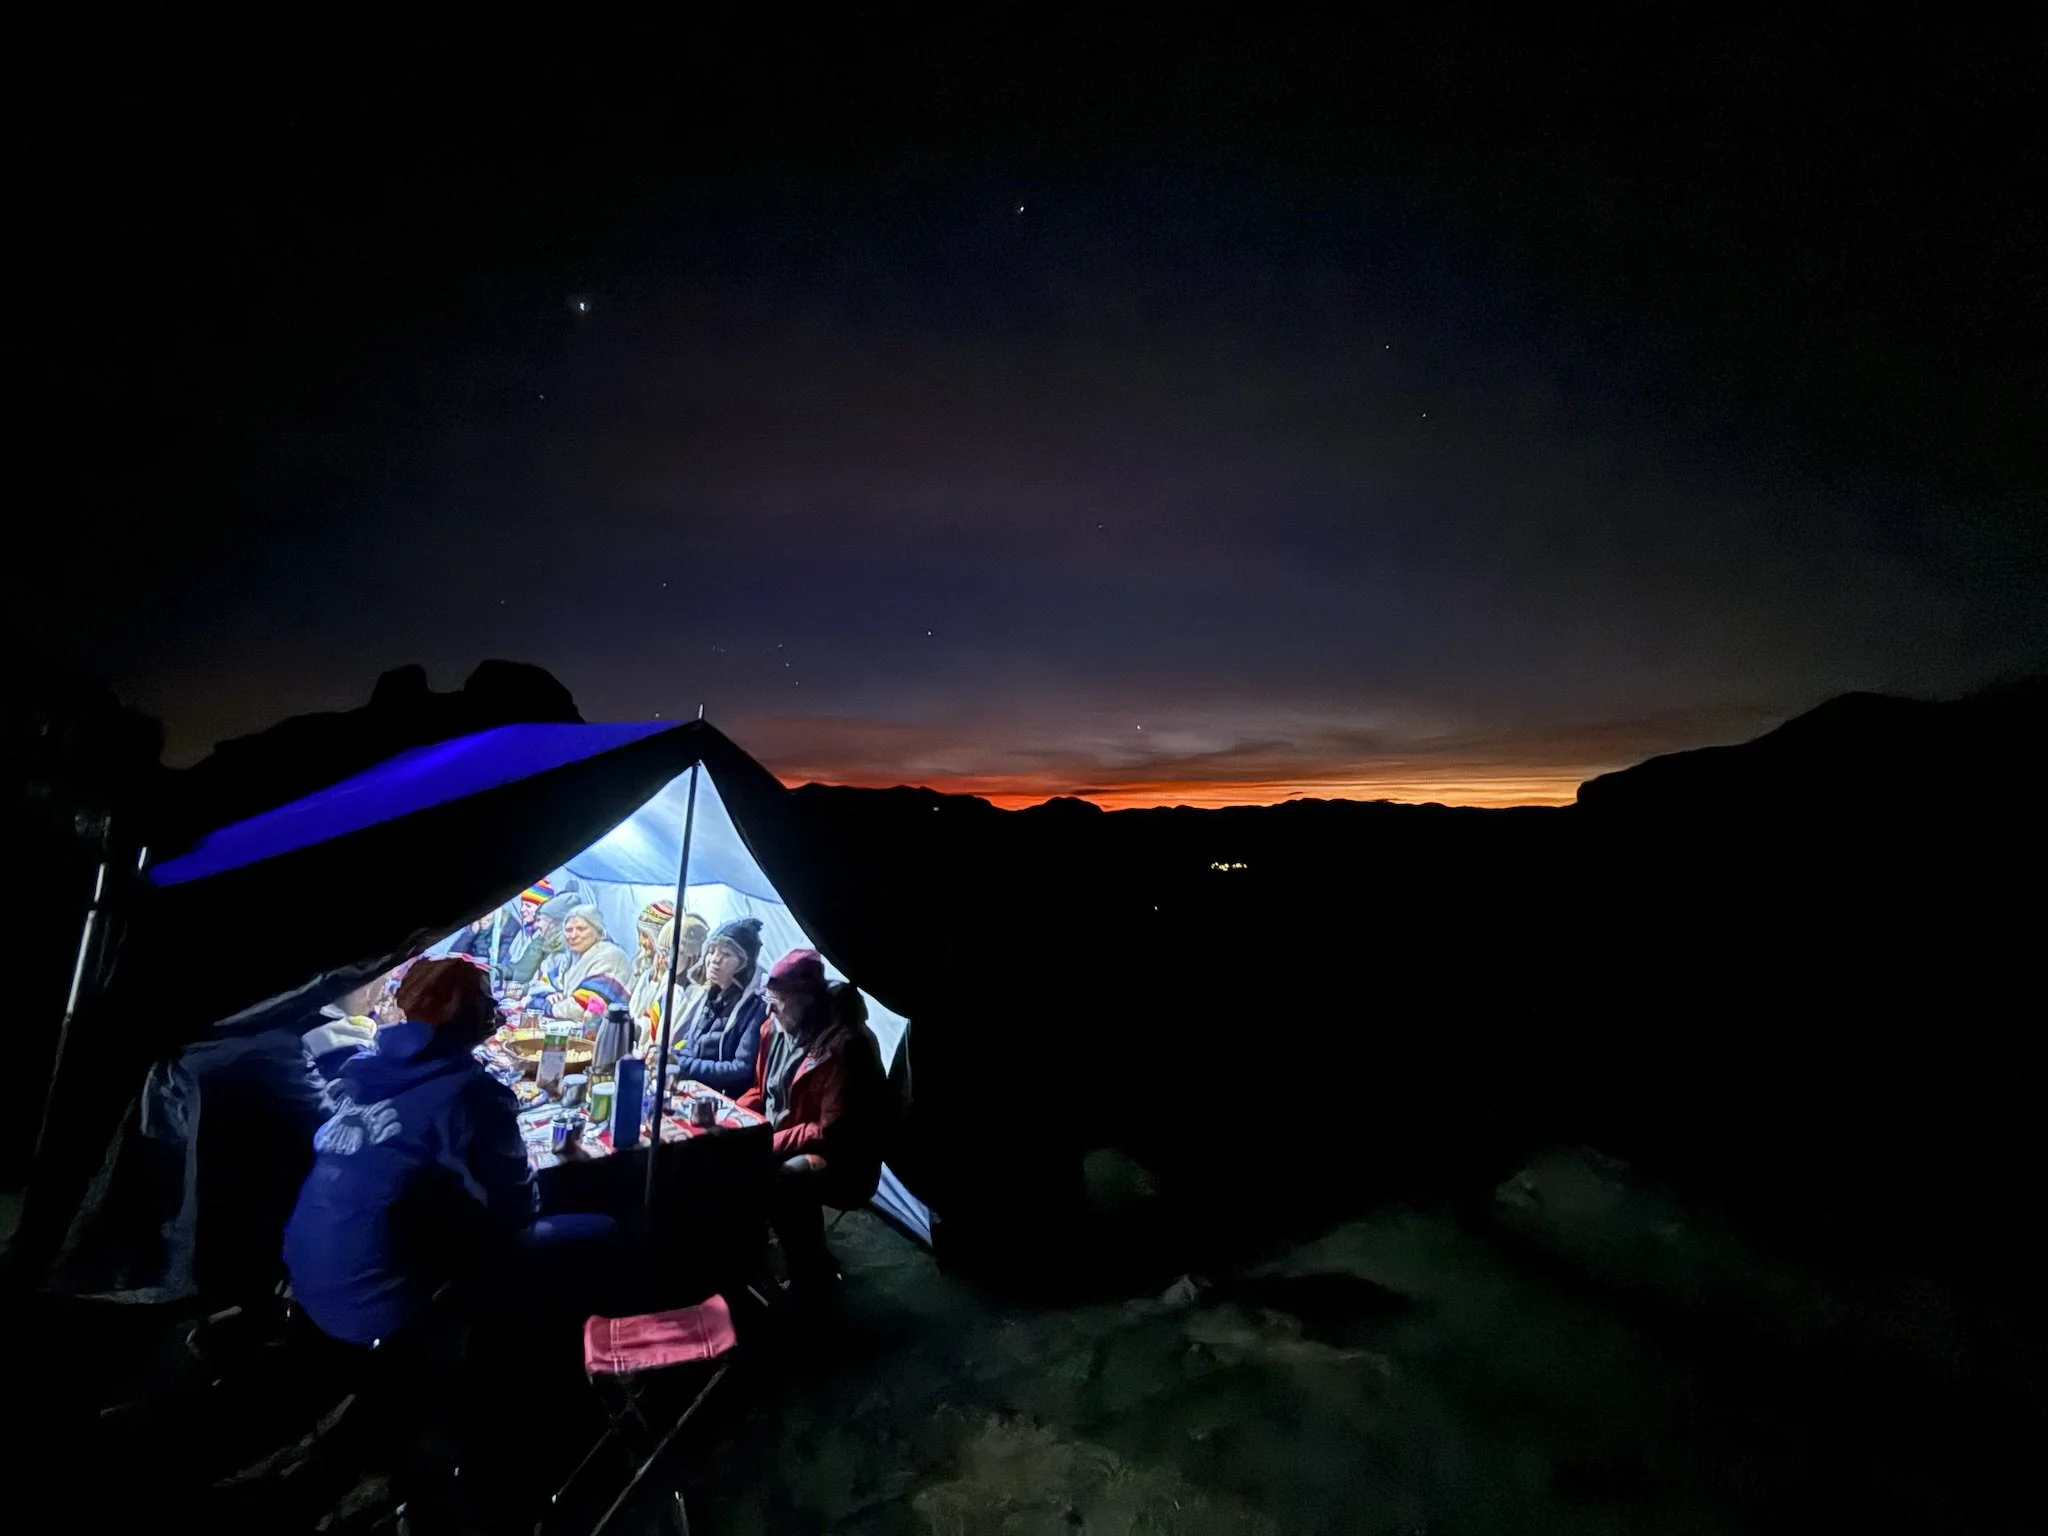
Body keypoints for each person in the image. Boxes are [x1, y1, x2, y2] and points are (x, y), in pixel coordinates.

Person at [283, 957, 620, 1349]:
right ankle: (552, 1368)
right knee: (603, 1231)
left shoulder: (362, 1069)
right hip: (380, 1307)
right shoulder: (472, 1093)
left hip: (307, 1281)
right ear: (467, 1014)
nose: (495, 1013)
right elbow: (520, 1207)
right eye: (486, 1002)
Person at [747, 950, 893, 1307]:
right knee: (720, 1157)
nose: (771, 1009)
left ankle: (811, 1277)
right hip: (778, 1138)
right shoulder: (774, 1030)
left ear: (808, 999)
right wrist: (735, 1124)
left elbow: (831, 1129)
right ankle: (748, 1260)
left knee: (786, 1179)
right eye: (769, 999)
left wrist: (766, 1141)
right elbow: (760, 1090)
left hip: (841, 1159)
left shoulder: (844, 1046)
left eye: (778, 1000)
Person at [666, 915, 767, 1096]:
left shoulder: (755, 1008)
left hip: (726, 1099)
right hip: (698, 1091)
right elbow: (692, 1045)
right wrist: (671, 1057)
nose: (714, 960)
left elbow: (741, 1069)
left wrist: (682, 1064)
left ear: (744, 965)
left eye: (726, 954)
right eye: (712, 951)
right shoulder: (710, 996)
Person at [542, 904, 633, 1021]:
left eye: (581, 929)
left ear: (598, 932)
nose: (573, 935)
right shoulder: (570, 957)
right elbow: (541, 985)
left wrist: (541, 1006)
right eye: (569, 930)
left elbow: (579, 1008)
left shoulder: (610, 956)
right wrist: (548, 995)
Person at [633, 911, 709, 1047]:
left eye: (670, 953)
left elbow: (681, 1039)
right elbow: (651, 1022)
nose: (664, 959)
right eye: (662, 952)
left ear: (692, 956)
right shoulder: (670, 982)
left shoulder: (698, 995)